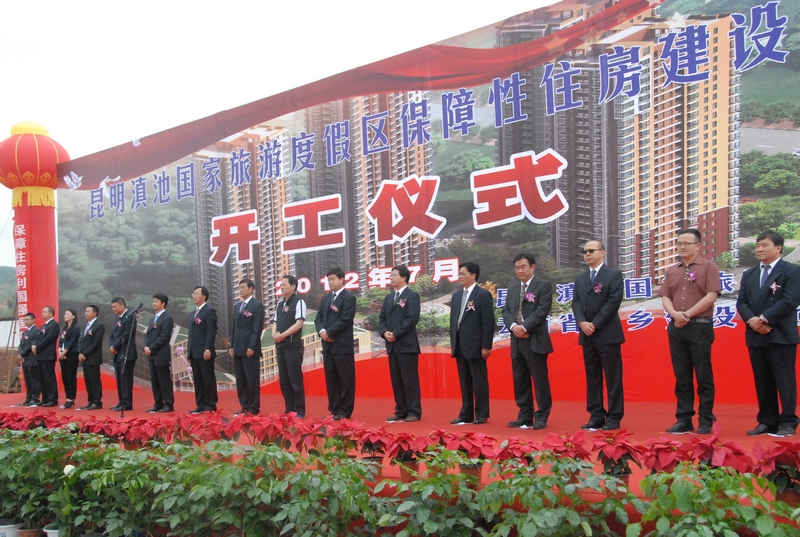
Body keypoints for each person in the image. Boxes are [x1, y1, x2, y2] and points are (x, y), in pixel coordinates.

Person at [737, 230, 800, 437]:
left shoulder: (791, 271)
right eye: (757, 246)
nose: (759, 249)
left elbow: (790, 300)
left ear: (778, 248)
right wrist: (752, 321)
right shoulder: (749, 274)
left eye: (764, 245)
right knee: (763, 381)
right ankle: (767, 420)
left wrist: (764, 319)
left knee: (785, 380)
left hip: (781, 333)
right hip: (756, 334)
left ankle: (788, 421)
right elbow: (742, 302)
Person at [658, 228, 720, 435]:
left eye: (686, 243)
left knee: (703, 374)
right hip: (676, 327)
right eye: (679, 243)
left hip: (700, 326)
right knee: (682, 376)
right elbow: (665, 296)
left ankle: (706, 419)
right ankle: (683, 418)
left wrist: (687, 314)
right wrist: (675, 314)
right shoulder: (673, 270)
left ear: (698, 246)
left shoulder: (708, 267)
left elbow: (711, 296)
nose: (682, 247)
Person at [572, 240, 625, 431]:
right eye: (585, 251)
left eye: (591, 251)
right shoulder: (581, 278)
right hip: (587, 334)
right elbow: (576, 302)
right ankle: (596, 415)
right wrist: (582, 323)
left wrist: (594, 324)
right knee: (592, 376)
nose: (587, 254)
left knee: (612, 377)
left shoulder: (613, 274)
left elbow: (613, 302)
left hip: (607, 333)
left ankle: (614, 416)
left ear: (602, 252)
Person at [501, 253, 553, 430]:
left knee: (539, 380)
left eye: (523, 267)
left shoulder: (543, 286)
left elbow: (542, 310)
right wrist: (514, 326)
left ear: (532, 267)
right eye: (517, 268)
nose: (519, 271)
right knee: (520, 379)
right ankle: (525, 415)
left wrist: (524, 327)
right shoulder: (513, 289)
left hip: (535, 339)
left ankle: (542, 416)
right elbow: (506, 311)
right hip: (517, 340)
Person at [449, 261, 494, 425]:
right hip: (460, 345)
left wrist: (486, 346)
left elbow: (488, 322)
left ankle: (482, 414)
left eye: (463, 274)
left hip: (476, 346)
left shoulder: (482, 294)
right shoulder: (457, 296)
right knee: (465, 381)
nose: (460, 276)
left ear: (473, 275)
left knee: (479, 381)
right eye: (459, 274)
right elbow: (454, 322)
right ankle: (466, 414)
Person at [379, 265, 422, 423]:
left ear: (404, 277)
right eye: (390, 275)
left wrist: (396, 333)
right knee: (396, 379)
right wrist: (385, 332)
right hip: (392, 346)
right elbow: (382, 318)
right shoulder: (389, 298)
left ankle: (413, 411)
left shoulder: (412, 295)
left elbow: (412, 318)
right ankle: (400, 410)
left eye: (393, 275)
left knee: (409, 379)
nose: (390, 278)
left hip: (406, 345)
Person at [315, 268, 357, 420]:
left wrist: (329, 333)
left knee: (345, 379)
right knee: (331, 378)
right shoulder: (326, 298)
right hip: (328, 345)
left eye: (333, 279)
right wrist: (322, 332)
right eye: (328, 280)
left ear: (342, 279)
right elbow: (318, 318)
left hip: (342, 344)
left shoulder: (349, 298)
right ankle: (334, 409)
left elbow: (345, 319)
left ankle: (345, 410)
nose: (330, 282)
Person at [272, 275, 307, 418]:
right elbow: (275, 322)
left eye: (284, 284)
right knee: (284, 380)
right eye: (280, 285)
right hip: (280, 346)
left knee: (295, 380)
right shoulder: (279, 304)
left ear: (293, 286)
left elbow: (299, 323)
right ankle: (289, 409)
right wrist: (274, 334)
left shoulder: (299, 302)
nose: (281, 287)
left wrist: (283, 335)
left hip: (293, 347)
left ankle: (299, 410)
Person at [229, 278, 265, 416]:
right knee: (241, 379)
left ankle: (253, 407)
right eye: (239, 288)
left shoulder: (257, 305)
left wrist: (252, 346)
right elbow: (235, 327)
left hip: (250, 348)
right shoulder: (238, 306)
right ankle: (244, 406)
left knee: (252, 379)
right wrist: (232, 345)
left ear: (251, 289)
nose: (241, 290)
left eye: (243, 287)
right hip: (238, 347)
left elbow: (257, 328)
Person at [188, 286, 218, 414]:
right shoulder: (193, 313)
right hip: (194, 352)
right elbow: (191, 335)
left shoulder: (209, 311)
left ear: (204, 296)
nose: (193, 296)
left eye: (196, 294)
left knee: (207, 379)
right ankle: (200, 404)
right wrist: (189, 352)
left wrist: (208, 349)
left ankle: (210, 405)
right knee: (198, 380)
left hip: (204, 351)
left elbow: (211, 332)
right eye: (193, 294)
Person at [144, 294, 175, 413]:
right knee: (155, 380)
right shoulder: (152, 319)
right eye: (153, 301)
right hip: (152, 355)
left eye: (156, 301)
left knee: (163, 379)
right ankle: (158, 403)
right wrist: (146, 346)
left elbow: (164, 337)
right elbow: (148, 335)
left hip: (161, 354)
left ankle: (168, 403)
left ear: (163, 303)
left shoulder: (167, 318)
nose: (154, 303)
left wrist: (152, 348)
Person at [109, 297, 137, 411]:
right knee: (119, 379)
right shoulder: (117, 318)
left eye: (115, 306)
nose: (113, 309)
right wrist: (112, 346)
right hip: (117, 353)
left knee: (126, 379)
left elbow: (127, 335)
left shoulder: (130, 317)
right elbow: (112, 335)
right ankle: (121, 402)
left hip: (126, 352)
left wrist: (115, 346)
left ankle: (126, 403)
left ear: (122, 305)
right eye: (112, 307)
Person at [78, 305, 105, 411]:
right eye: (85, 311)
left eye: (88, 311)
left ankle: (97, 401)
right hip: (84, 358)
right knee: (88, 380)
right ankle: (91, 401)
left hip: (93, 357)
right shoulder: (87, 325)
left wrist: (85, 354)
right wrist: (80, 352)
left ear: (95, 313)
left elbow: (96, 342)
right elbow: (82, 340)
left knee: (94, 380)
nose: (86, 313)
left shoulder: (99, 325)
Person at [32, 306, 59, 407]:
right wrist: (34, 345)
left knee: (49, 378)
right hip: (40, 355)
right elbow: (38, 338)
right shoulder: (43, 326)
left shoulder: (54, 325)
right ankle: (45, 398)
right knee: (42, 378)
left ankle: (52, 399)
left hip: (48, 355)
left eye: (45, 312)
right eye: (42, 311)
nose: (42, 313)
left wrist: (38, 346)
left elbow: (49, 338)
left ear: (51, 313)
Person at [57, 308, 80, 409]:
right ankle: (67, 397)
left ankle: (71, 398)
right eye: (65, 314)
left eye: (68, 314)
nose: (65, 315)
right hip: (63, 355)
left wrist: (64, 352)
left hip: (71, 354)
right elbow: (61, 341)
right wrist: (59, 351)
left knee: (71, 376)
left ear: (73, 316)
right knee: (65, 377)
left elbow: (72, 341)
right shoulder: (64, 328)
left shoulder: (75, 328)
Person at [17, 313, 40, 406]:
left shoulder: (37, 331)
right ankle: (28, 398)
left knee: (34, 380)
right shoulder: (25, 333)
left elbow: (31, 345)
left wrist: (22, 354)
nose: (25, 321)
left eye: (27, 319)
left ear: (33, 320)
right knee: (28, 380)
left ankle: (35, 398)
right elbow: (21, 345)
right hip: (25, 359)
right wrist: (20, 353)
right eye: (24, 320)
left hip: (32, 358)